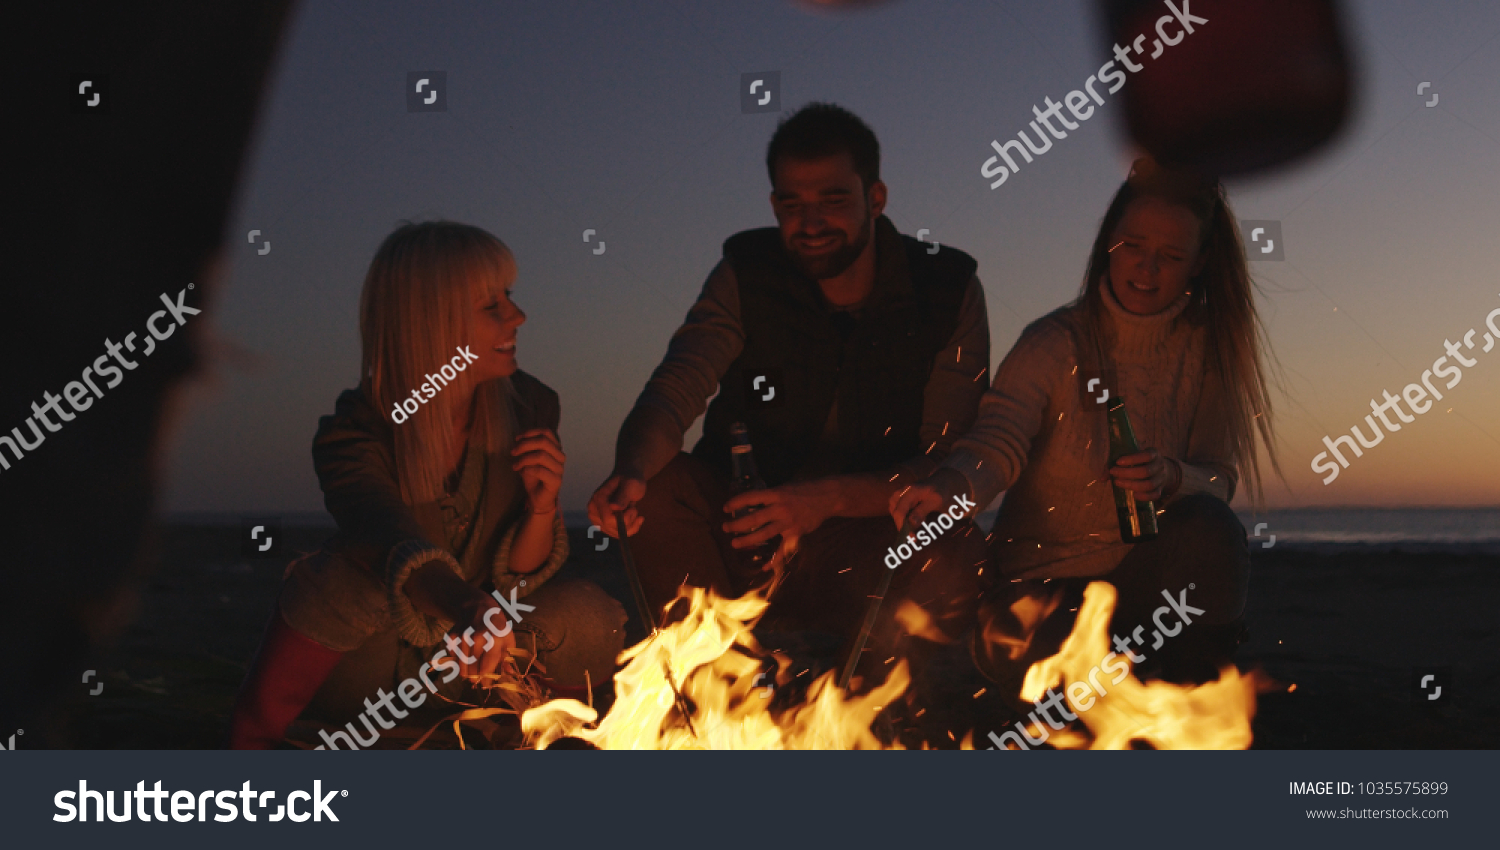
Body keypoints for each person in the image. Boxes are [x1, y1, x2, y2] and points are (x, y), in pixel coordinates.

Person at [587, 103, 991, 680]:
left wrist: (824, 500)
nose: (811, 222)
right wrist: (631, 467)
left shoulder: (945, 289)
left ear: (875, 198)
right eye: (792, 204)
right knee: (656, 490)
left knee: (956, 551)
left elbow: (947, 460)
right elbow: (675, 389)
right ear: (774, 205)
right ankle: (718, 689)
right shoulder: (747, 272)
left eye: (833, 199)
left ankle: (869, 700)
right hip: (739, 529)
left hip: (868, 539)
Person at [228, 222, 625, 749]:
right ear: (431, 323)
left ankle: (555, 741)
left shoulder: (530, 407)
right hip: (374, 674)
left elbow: (516, 585)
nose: (518, 316)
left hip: (477, 666)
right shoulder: (354, 432)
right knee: (338, 581)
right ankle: (258, 744)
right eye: (492, 306)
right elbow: (385, 536)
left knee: (588, 614)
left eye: (509, 297)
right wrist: (465, 606)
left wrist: (541, 508)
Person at [892, 157, 1283, 692]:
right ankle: (1095, 692)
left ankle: (1192, 697)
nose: (1146, 268)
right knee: (1056, 666)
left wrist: (1171, 476)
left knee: (1212, 529)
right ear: (1108, 242)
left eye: (1170, 256)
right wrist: (952, 485)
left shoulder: (1209, 355)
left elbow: (1218, 480)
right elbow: (998, 439)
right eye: (1133, 246)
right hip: (1038, 596)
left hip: (1142, 590)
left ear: (1200, 263)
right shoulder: (1053, 343)